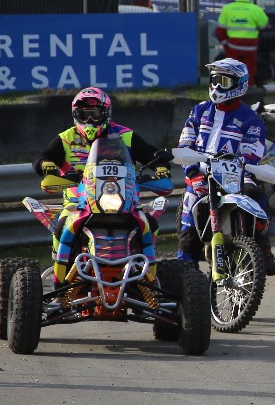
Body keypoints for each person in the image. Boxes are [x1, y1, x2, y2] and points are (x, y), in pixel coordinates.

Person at [33, 88, 171, 284]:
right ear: (75, 115)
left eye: (95, 114)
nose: (90, 120)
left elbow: (150, 153)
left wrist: (160, 166)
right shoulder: (66, 138)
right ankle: (60, 279)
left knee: (150, 223)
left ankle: (147, 276)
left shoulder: (125, 135)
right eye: (84, 115)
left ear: (106, 113)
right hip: (78, 203)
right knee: (61, 227)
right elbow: (42, 157)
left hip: (124, 201)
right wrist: (45, 164)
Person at [176, 59, 275, 275]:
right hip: (201, 175)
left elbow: (252, 151)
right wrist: (193, 173)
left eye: (223, 81)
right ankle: (185, 275)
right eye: (214, 80)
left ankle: (264, 250)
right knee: (187, 233)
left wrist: (242, 163)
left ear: (238, 84)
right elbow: (185, 144)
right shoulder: (199, 111)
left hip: (236, 174)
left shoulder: (250, 118)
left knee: (256, 196)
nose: (216, 86)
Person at [214, 0, 270, 85]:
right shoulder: (256, 9)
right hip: (250, 46)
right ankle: (248, 88)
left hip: (233, 46)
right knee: (249, 68)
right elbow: (264, 25)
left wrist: (226, 43)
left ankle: (234, 89)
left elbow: (220, 30)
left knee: (233, 69)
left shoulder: (227, 9)